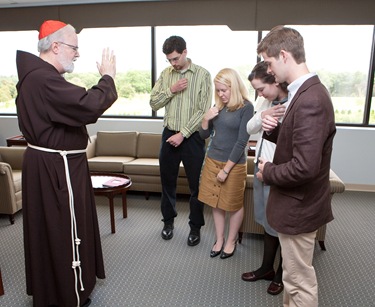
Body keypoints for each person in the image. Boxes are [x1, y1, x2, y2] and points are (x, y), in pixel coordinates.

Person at [16, 20, 117, 307]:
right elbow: (87, 105)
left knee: (51, 228)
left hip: (51, 164)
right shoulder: (43, 79)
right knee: (63, 228)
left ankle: (57, 289)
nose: (77, 54)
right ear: (56, 46)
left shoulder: (36, 76)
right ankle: (68, 293)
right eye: (74, 47)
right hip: (56, 168)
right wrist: (108, 78)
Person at [256, 26, 336, 306]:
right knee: (292, 278)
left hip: (299, 206)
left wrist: (268, 172)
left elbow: (304, 166)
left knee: (300, 283)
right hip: (296, 204)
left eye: (268, 62)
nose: (268, 70)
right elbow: (300, 142)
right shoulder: (302, 92)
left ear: (283, 55)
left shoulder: (311, 98)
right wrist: (273, 130)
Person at [150, 36, 212, 246]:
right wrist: (171, 90)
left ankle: (195, 227)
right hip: (169, 135)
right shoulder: (166, 75)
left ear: (185, 52)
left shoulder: (203, 75)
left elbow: (203, 111)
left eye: (176, 58)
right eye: (169, 60)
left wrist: (183, 133)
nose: (173, 64)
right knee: (168, 183)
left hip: (192, 137)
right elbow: (153, 102)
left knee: (196, 186)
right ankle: (168, 223)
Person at [241, 61, 287, 295]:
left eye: (261, 88)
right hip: (261, 170)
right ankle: (266, 268)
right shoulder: (265, 101)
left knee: (281, 227)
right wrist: (264, 114)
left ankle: (280, 274)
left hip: (277, 174)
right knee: (268, 224)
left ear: (275, 80)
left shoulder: (292, 104)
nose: (259, 94)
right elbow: (250, 128)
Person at [198, 68, 253, 259]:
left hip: (234, 165)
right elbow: (204, 135)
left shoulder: (246, 107)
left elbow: (241, 142)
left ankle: (231, 240)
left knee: (233, 204)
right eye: (218, 90)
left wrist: (227, 170)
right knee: (216, 203)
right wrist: (206, 119)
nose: (221, 94)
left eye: (224, 90)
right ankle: (219, 239)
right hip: (213, 159)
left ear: (234, 86)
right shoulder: (219, 106)